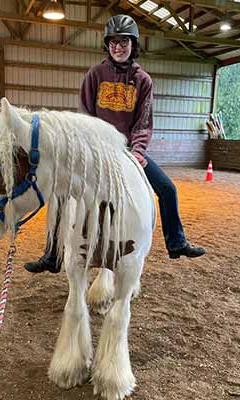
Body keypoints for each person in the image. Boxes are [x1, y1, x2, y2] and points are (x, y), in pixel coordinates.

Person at [24, 14, 205, 274]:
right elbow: (86, 116)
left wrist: (139, 151)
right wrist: (89, 148)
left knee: (167, 189)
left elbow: (143, 122)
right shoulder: (95, 75)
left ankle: (176, 242)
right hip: (95, 150)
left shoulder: (143, 81)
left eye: (124, 42)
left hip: (128, 151)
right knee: (61, 192)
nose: (118, 47)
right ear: (107, 45)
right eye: (113, 43)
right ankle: (52, 254)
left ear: (133, 45)